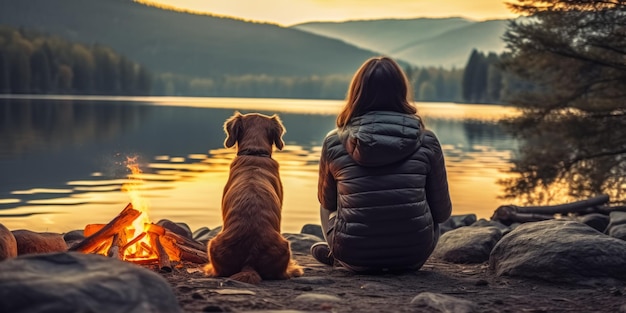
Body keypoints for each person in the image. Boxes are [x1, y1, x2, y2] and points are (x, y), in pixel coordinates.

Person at [311, 56, 452, 272]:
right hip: (412, 255)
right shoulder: (427, 139)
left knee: (325, 198)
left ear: (356, 94)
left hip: (355, 255)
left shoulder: (334, 141)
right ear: (401, 91)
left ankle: (337, 254)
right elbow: (442, 213)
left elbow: (328, 203)